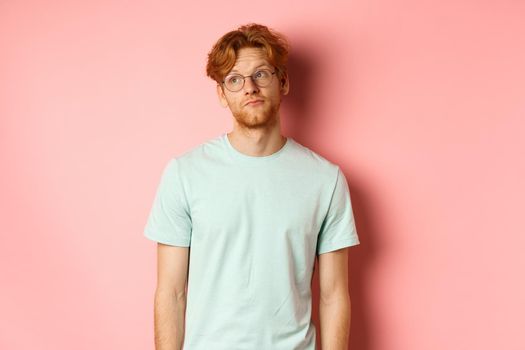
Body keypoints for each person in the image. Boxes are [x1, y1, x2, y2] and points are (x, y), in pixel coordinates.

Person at [143, 23, 360, 350]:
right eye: (234, 79)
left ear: (283, 81)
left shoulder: (325, 180)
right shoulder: (184, 174)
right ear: (222, 93)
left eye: (261, 74)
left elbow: (333, 296)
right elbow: (171, 292)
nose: (250, 88)